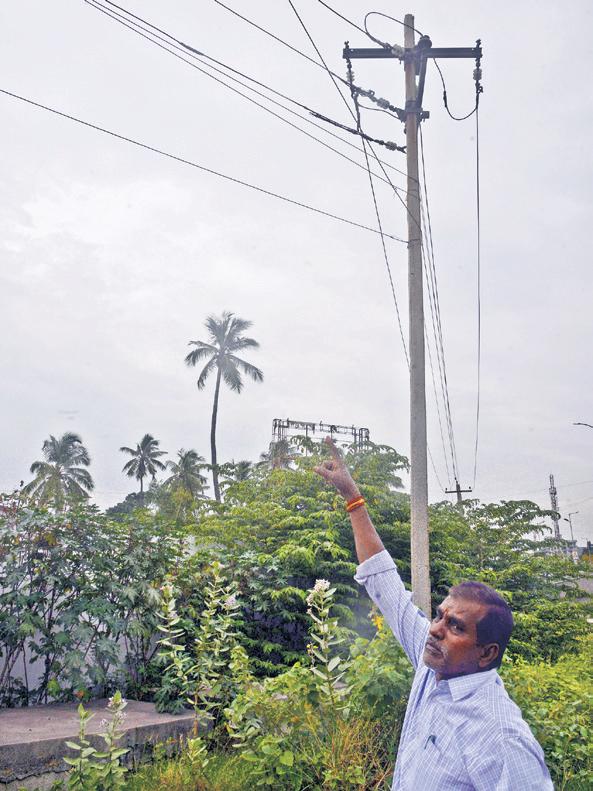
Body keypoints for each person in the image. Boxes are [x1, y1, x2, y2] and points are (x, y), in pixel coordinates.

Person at [314, 437, 553, 791]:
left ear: (486, 653)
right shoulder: (433, 668)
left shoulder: (499, 737)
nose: (436, 629)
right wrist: (353, 499)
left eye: (455, 626)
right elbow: (387, 586)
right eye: (440, 616)